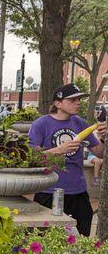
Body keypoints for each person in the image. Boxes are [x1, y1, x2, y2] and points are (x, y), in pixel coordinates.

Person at [29, 83, 106, 237]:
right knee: (44, 241)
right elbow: (32, 159)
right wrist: (59, 150)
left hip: (78, 193)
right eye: (72, 100)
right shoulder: (40, 124)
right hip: (48, 192)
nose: (78, 103)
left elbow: (100, 153)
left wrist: (104, 139)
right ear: (57, 103)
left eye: (79, 99)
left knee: (80, 240)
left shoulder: (80, 123)